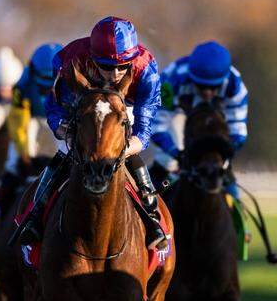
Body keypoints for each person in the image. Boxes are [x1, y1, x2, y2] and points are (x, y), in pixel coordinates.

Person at [14, 16, 168, 250]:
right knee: (65, 153)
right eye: (106, 66)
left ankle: (151, 217)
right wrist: (64, 129)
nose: (115, 74)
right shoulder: (71, 61)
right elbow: (54, 109)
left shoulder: (146, 70)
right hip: (82, 106)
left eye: (123, 67)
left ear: (132, 61)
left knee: (127, 155)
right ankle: (36, 216)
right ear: (94, 58)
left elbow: (144, 129)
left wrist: (120, 149)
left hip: (123, 107)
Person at [151, 40, 248, 191]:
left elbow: (238, 131)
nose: (207, 92)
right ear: (191, 76)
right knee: (167, 161)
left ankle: (234, 201)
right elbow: (157, 126)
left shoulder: (235, 86)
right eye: (201, 86)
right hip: (178, 114)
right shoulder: (172, 79)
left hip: (215, 118)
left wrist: (223, 156)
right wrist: (178, 155)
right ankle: (154, 195)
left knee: (222, 170)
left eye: (213, 86)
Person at [0, 42, 62, 202]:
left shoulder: (73, 83)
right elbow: (18, 123)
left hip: (61, 121)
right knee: (13, 166)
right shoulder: (22, 86)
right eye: (43, 87)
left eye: (52, 85)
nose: (48, 91)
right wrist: (25, 155)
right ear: (33, 73)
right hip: (32, 120)